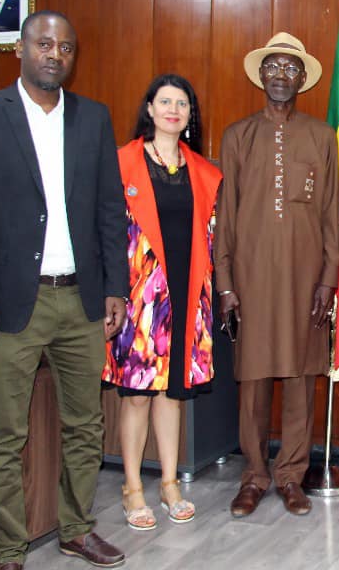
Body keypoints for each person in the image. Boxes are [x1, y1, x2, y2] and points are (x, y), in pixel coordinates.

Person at [0, 10, 129, 570]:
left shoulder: (93, 119)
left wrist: (115, 288)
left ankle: (76, 528)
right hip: (8, 304)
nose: (55, 55)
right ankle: (6, 550)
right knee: (4, 433)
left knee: (86, 425)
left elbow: (107, 210)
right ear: (21, 50)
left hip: (81, 301)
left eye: (66, 48)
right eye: (45, 44)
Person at [216, 32, 339, 518]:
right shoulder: (238, 135)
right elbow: (225, 214)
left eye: (291, 68)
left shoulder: (320, 136)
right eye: (274, 67)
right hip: (250, 278)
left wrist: (329, 278)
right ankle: (253, 476)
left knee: (300, 379)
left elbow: (331, 210)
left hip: (306, 280)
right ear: (261, 75)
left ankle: (291, 476)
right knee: (252, 381)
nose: (281, 75)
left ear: (302, 78)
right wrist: (225, 282)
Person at [102, 74, 223, 530]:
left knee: (173, 396)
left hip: (188, 295)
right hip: (138, 299)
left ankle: (170, 483)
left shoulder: (205, 172)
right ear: (149, 109)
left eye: (183, 104)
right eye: (165, 101)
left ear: (190, 117)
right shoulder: (120, 164)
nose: (174, 109)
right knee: (135, 396)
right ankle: (133, 487)